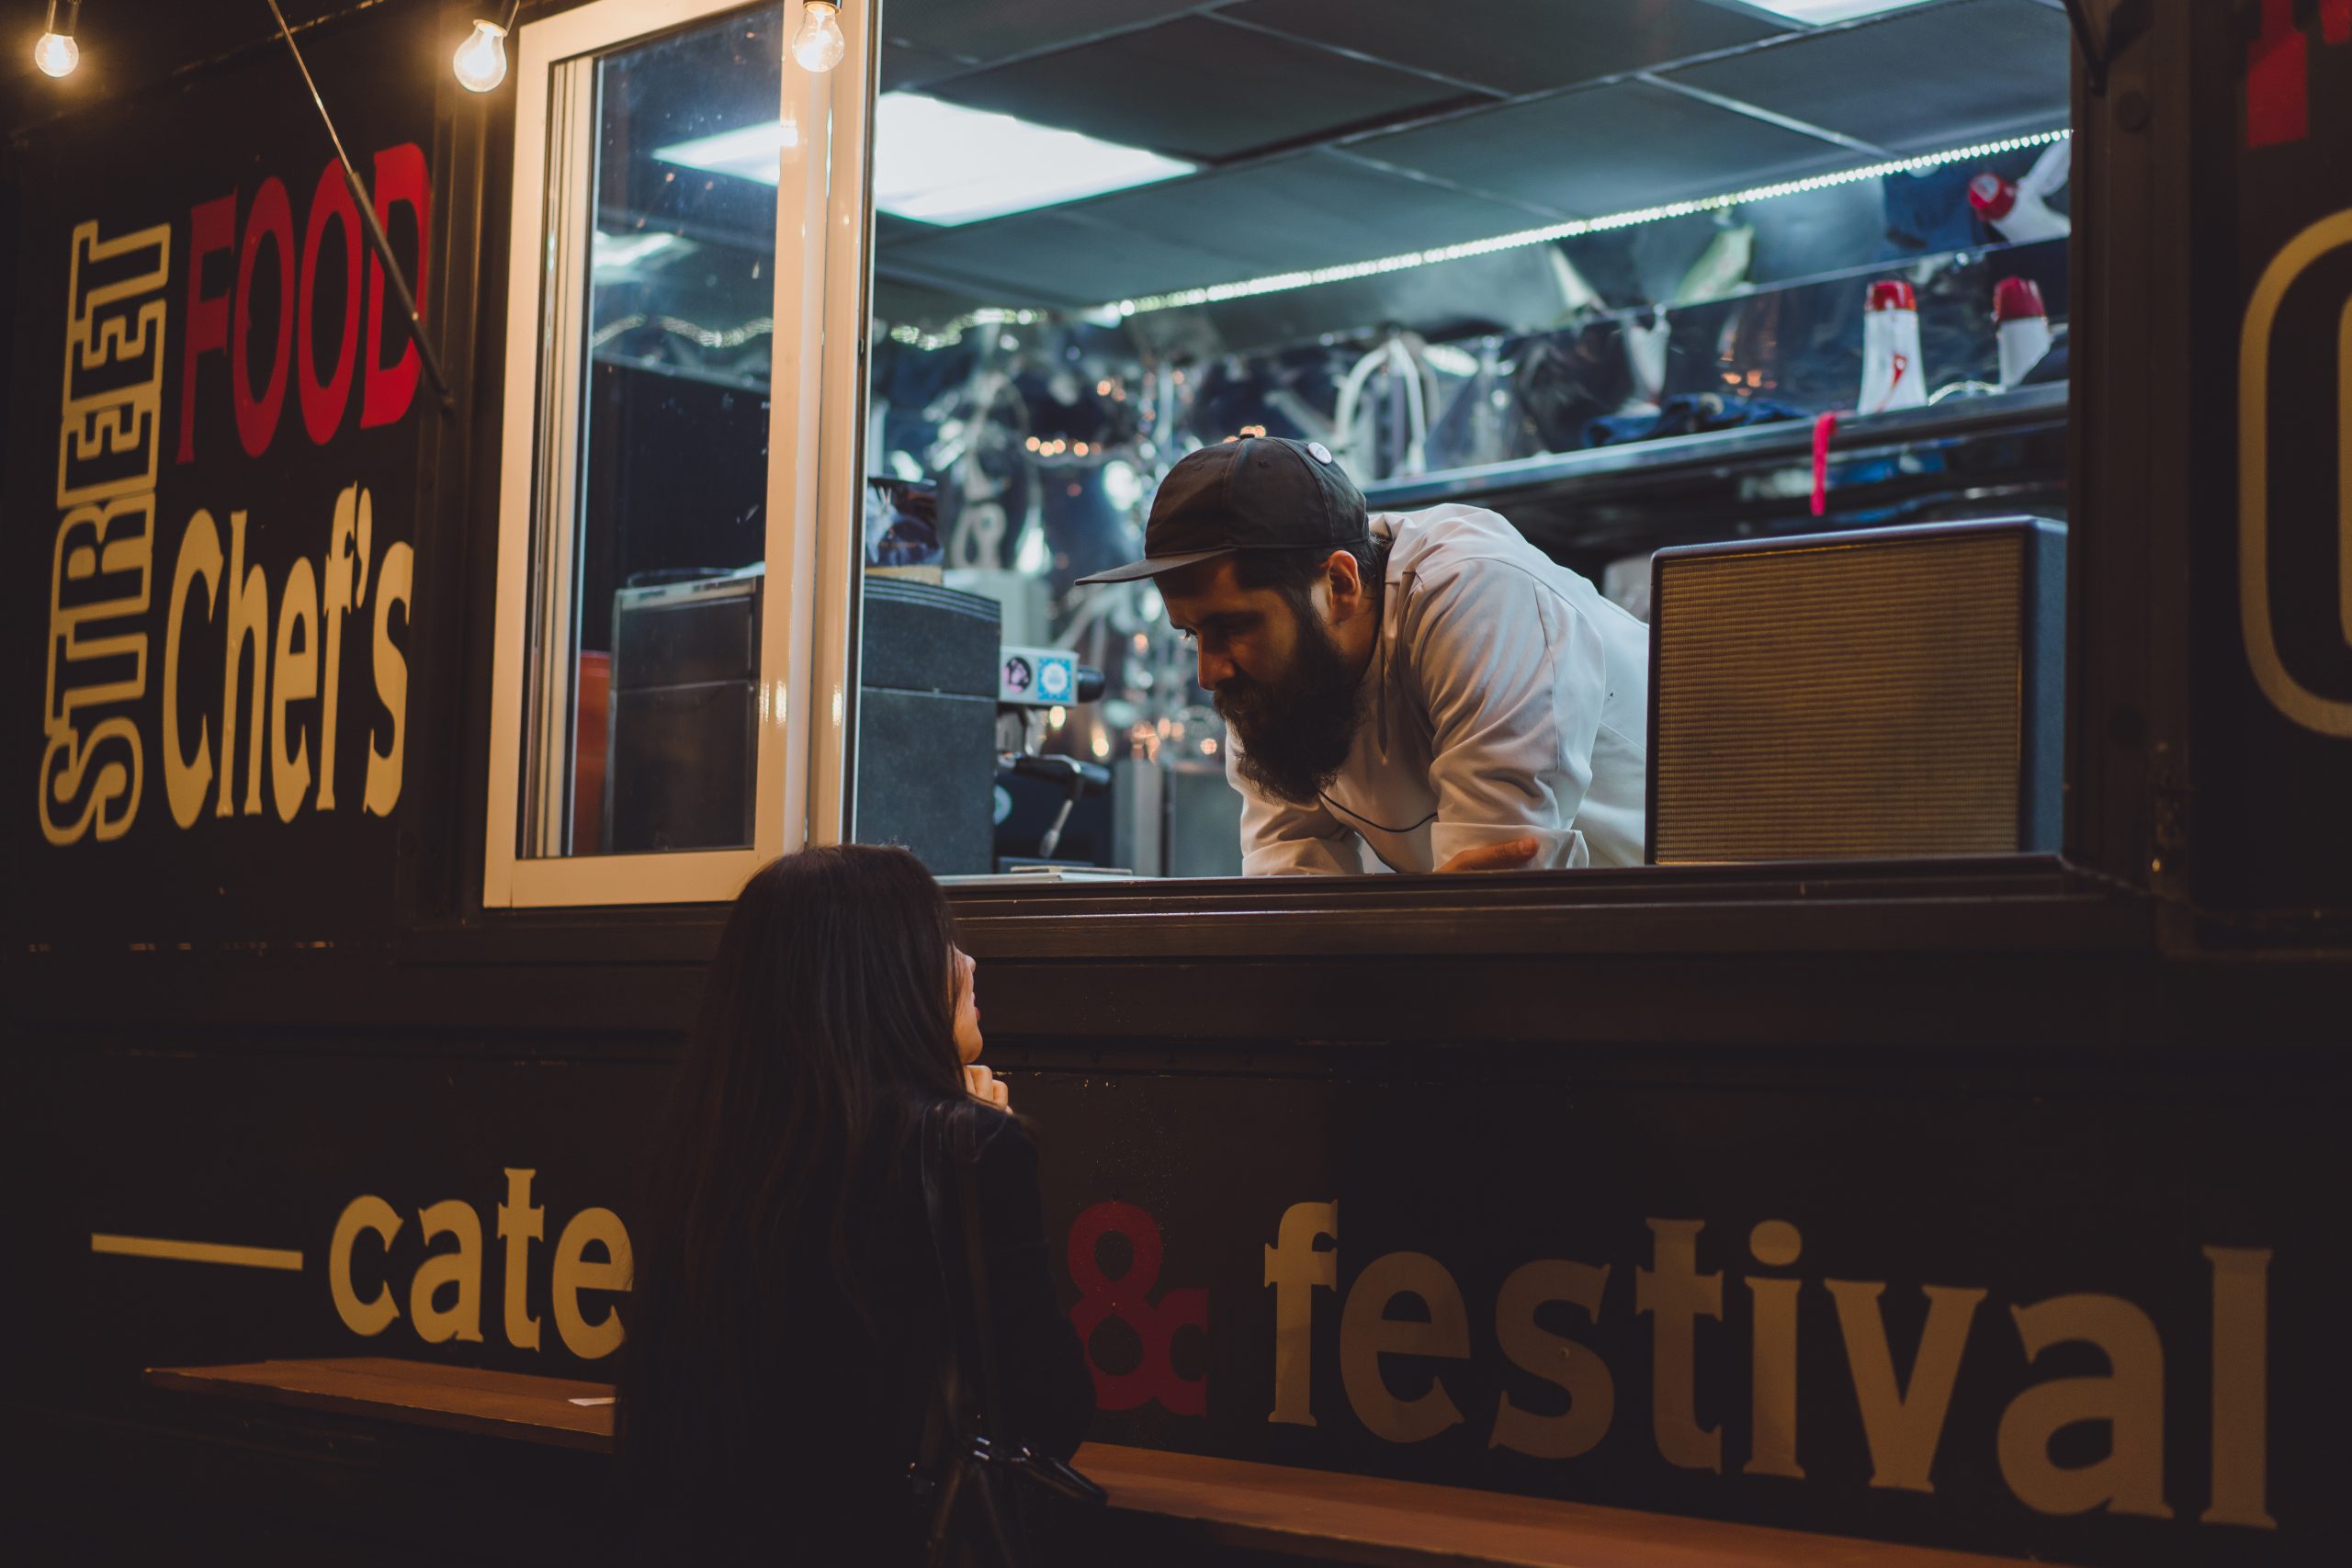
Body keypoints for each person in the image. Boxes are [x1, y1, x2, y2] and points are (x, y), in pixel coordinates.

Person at [618, 846, 1093, 1563]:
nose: (968, 963)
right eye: (940, 939)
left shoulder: (716, 1147)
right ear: (881, 973)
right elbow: (1051, 1412)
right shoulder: (969, 1148)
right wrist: (974, 1133)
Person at [1077, 437, 1648, 874]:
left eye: (1232, 626)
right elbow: (1289, 902)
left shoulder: (1477, 594)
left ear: (1340, 584)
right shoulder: (1274, 681)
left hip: (1675, 917)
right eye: (1192, 634)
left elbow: (1494, 900)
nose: (1210, 671)